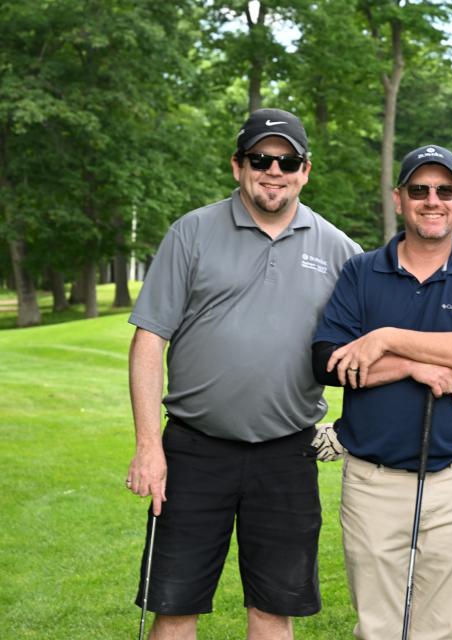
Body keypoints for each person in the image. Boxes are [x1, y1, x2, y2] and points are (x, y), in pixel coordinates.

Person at [125, 108, 361, 640]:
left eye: (288, 160)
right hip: (192, 450)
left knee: (273, 609)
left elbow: (372, 347)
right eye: (261, 158)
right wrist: (148, 446)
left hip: (287, 453)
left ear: (305, 170)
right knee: (174, 602)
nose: (273, 170)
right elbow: (148, 340)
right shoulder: (192, 232)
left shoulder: (340, 250)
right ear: (238, 165)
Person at [311, 144, 452, 640]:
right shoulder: (361, 270)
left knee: (440, 629)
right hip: (373, 481)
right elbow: (330, 363)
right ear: (399, 199)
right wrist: (412, 367)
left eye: (445, 190)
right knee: (377, 628)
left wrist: (384, 339)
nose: (432, 200)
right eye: (419, 189)